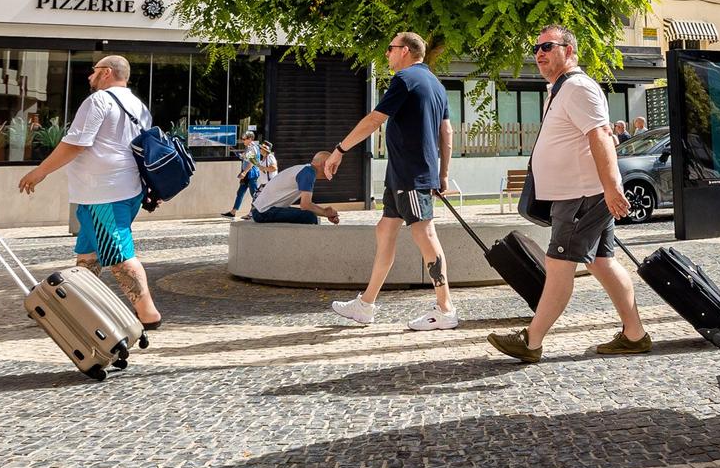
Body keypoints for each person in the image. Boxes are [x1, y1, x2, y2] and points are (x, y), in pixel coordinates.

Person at [489, 26, 649, 364]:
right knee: (603, 262)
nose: (540, 53)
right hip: (580, 193)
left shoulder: (577, 87)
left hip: (582, 196)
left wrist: (611, 187)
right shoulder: (559, 89)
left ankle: (531, 341)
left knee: (558, 263)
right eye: (536, 49)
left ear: (569, 50)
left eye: (548, 46)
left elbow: (602, 136)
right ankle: (635, 335)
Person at [319, 32, 456, 330]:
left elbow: (374, 119)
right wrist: (443, 173)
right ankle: (365, 305)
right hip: (403, 174)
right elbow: (447, 133)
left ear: (405, 51)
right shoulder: (436, 85)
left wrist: (340, 149)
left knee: (426, 236)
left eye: (390, 49)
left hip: (410, 174)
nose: (387, 55)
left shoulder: (405, 79)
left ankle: (446, 310)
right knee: (385, 230)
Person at [16, 54, 163, 328]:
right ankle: (79, 308)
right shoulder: (138, 105)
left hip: (104, 192)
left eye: (93, 71)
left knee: (119, 256)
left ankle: (148, 314)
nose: (89, 76)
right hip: (122, 189)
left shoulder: (99, 100)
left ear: (106, 72)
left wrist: (40, 171)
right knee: (88, 255)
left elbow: (76, 144)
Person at [251, 151, 343, 224]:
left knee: (309, 215)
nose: (334, 170)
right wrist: (325, 212)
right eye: (332, 165)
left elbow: (307, 205)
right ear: (324, 164)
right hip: (263, 212)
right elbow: (305, 205)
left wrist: (325, 212)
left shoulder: (305, 169)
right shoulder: (308, 173)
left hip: (263, 209)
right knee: (309, 217)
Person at [225, 132, 262, 218]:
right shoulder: (249, 147)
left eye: (244, 139)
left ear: (250, 139)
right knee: (240, 192)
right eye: (242, 139)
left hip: (251, 174)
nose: (243, 140)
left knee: (254, 194)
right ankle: (233, 212)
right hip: (248, 174)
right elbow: (247, 158)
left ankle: (253, 213)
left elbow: (251, 163)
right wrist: (240, 154)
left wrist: (244, 172)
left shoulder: (252, 148)